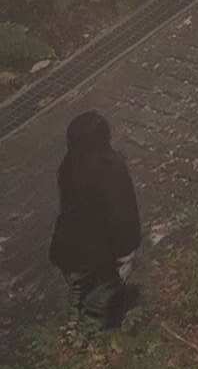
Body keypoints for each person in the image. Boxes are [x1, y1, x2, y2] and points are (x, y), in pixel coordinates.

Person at [48, 112, 141, 329]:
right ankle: (90, 335)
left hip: (68, 250)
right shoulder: (111, 170)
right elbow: (123, 214)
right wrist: (127, 251)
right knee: (101, 300)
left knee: (78, 289)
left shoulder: (68, 167)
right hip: (101, 254)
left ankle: (73, 324)